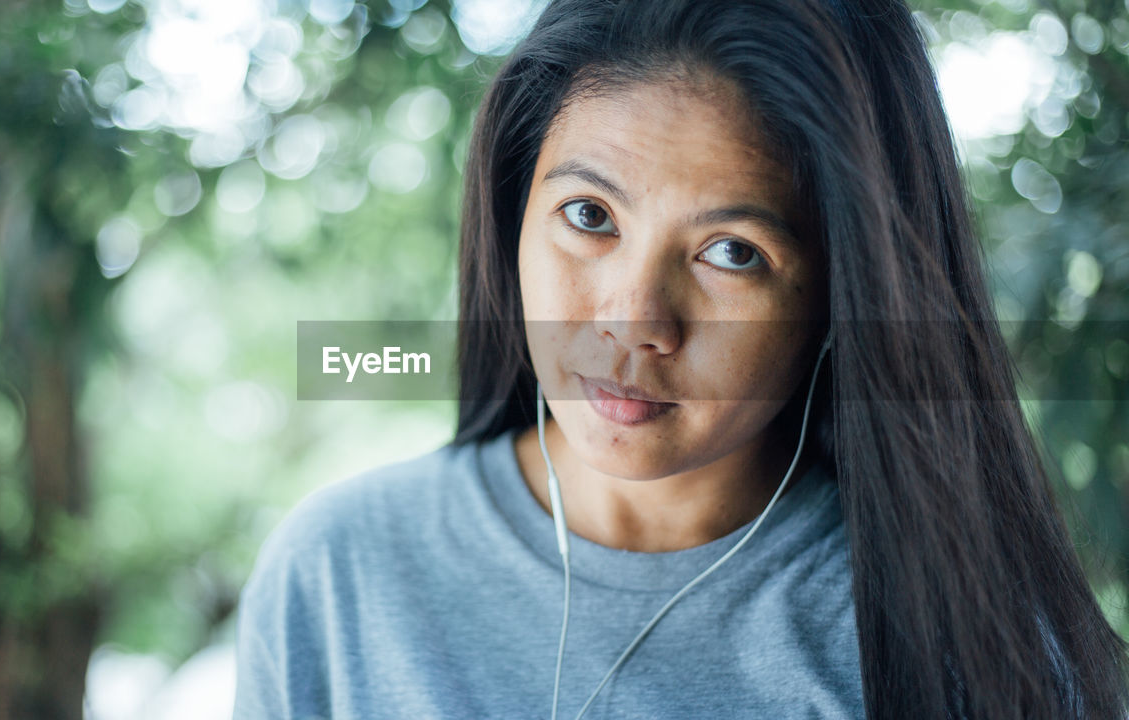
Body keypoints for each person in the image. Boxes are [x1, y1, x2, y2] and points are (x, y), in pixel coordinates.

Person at [233, 0, 1129, 718]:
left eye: (732, 252)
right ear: (512, 218)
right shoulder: (338, 576)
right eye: (590, 217)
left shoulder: (971, 655)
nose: (632, 322)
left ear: (843, 299)